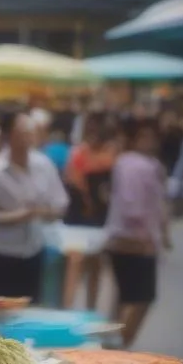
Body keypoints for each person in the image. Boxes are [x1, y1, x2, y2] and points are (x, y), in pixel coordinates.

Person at [0, 109, 68, 302]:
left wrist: (42, 213)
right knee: (0, 311)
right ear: (9, 135)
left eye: (30, 131)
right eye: (22, 131)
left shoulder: (44, 165)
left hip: (34, 249)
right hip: (1, 253)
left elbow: (60, 204)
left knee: (30, 308)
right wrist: (18, 215)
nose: (28, 136)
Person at [105, 116, 170, 347]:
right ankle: (119, 345)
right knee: (142, 297)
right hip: (134, 240)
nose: (149, 141)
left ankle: (109, 345)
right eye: (144, 136)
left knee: (124, 296)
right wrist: (150, 239)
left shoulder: (128, 162)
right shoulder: (141, 165)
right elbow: (134, 208)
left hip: (121, 238)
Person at [64, 112, 116, 310]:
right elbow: (72, 181)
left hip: (100, 217)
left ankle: (90, 310)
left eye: (97, 127)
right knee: (75, 263)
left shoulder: (109, 154)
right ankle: (68, 310)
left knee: (95, 265)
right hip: (79, 216)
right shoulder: (79, 153)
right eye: (90, 127)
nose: (93, 132)